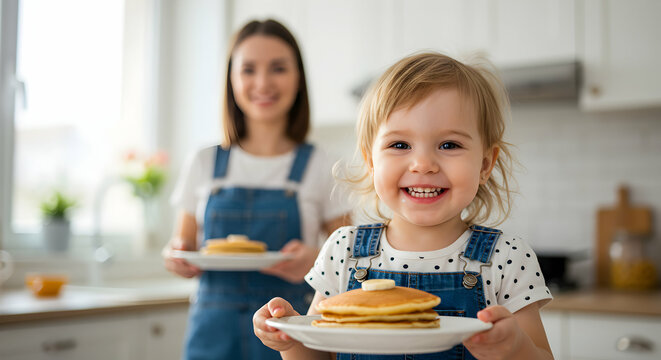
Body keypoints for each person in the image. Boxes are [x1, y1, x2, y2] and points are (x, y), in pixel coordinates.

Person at [253, 52, 554, 360]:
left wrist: (515, 347)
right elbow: (319, 355)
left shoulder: (507, 258)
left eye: (449, 145)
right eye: (400, 145)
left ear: (485, 164)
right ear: (371, 162)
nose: (423, 164)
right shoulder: (343, 251)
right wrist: (290, 340)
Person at [163, 19, 352, 360]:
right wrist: (176, 256)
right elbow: (183, 246)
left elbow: (349, 264)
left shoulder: (326, 165)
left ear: (298, 79)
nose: (263, 82)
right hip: (211, 336)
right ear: (231, 80)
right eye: (248, 69)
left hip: (290, 334)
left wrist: (314, 261)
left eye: (278, 68)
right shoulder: (203, 162)